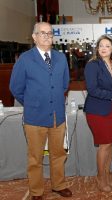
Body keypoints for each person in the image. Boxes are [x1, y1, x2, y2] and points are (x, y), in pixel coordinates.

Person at [9, 22, 72, 200]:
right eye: (42, 33)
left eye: (49, 33)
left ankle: (58, 185)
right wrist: (32, 102)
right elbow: (16, 87)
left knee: (58, 154)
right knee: (35, 158)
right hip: (35, 117)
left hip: (57, 116)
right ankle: (36, 191)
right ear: (34, 37)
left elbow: (65, 84)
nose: (46, 36)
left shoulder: (60, 58)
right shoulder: (25, 59)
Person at [84, 35, 112, 192]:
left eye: (107, 46)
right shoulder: (93, 65)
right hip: (97, 111)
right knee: (104, 145)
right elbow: (92, 90)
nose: (103, 48)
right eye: (101, 45)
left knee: (109, 144)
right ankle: (100, 178)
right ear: (97, 48)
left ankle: (106, 175)